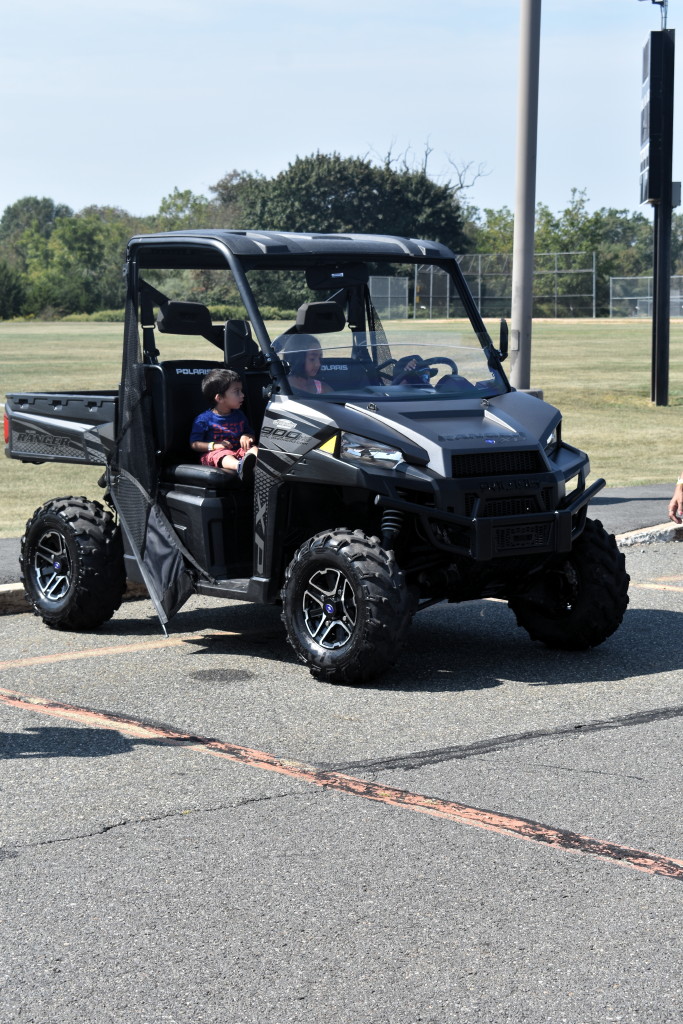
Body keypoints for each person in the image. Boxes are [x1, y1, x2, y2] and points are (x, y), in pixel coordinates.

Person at [189, 367, 257, 481]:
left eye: (241, 391)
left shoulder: (239, 415)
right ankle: (240, 467)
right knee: (223, 455)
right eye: (237, 392)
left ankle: (259, 468)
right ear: (219, 398)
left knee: (254, 449)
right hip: (214, 454)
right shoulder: (203, 420)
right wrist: (214, 445)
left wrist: (247, 436)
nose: (242, 395)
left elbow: (250, 433)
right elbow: (194, 444)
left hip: (238, 451)